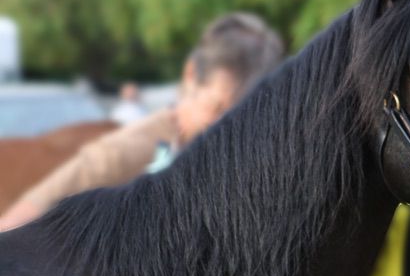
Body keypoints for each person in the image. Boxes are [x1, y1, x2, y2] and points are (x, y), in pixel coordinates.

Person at [0, 12, 284, 230]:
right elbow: (26, 215)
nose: (228, 128)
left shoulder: (252, 160)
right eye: (217, 108)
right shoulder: (136, 148)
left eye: (244, 115)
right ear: (190, 75)